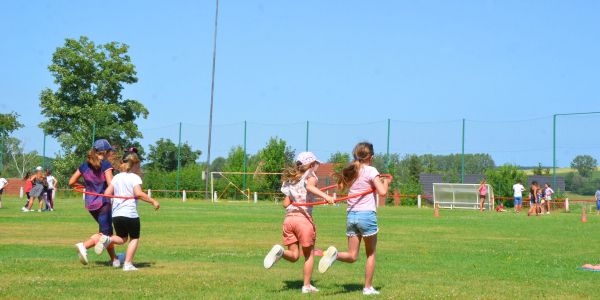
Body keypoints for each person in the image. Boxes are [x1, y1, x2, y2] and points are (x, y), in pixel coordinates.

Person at [318, 142, 390, 296]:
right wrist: (386, 181)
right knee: (370, 254)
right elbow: (382, 192)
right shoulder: (371, 170)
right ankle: (367, 288)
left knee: (352, 256)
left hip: (351, 215)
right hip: (366, 215)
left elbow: (340, 187)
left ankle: (335, 255)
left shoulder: (352, 170)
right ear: (371, 157)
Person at [263, 152, 334, 294]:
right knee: (309, 255)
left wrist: (297, 197)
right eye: (316, 164)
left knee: (294, 255)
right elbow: (309, 187)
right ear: (311, 164)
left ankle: (281, 252)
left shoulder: (293, 179)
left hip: (289, 219)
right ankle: (307, 286)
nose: (317, 166)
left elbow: (285, 204)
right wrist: (326, 196)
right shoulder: (311, 176)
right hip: (303, 220)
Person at [98, 150, 160, 271]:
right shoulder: (134, 178)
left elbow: (106, 194)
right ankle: (127, 264)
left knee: (122, 238)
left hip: (116, 214)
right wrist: (153, 201)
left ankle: (108, 239)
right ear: (135, 164)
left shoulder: (116, 178)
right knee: (134, 238)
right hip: (130, 214)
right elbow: (138, 193)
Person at [68, 139, 118, 266]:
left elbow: (71, 182)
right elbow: (111, 183)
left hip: (90, 204)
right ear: (105, 152)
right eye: (109, 151)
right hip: (103, 202)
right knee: (105, 233)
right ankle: (84, 246)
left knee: (107, 231)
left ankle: (115, 260)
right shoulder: (105, 164)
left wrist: (86, 186)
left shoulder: (85, 165)